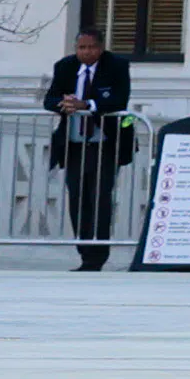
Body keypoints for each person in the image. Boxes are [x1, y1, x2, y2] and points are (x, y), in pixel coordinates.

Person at [41, 30, 140, 269]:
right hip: (74, 145)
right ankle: (85, 254)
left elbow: (119, 99)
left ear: (101, 47)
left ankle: (98, 255)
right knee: (77, 198)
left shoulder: (116, 65)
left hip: (105, 145)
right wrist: (63, 104)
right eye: (81, 48)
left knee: (99, 198)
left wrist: (87, 105)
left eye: (92, 47)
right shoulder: (65, 66)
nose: (86, 52)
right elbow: (49, 99)